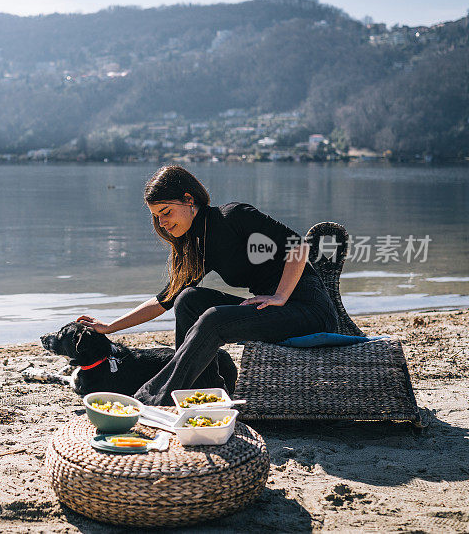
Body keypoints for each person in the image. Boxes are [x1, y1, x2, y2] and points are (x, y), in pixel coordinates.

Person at [77, 165, 338, 406]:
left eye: (166, 212)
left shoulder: (234, 216)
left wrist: (280, 295)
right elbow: (164, 300)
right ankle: (204, 392)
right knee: (188, 299)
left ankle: (156, 397)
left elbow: (298, 245)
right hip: (270, 312)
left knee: (214, 318)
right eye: (157, 216)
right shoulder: (199, 246)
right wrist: (110, 326)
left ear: (189, 200)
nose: (163, 223)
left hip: (307, 313)